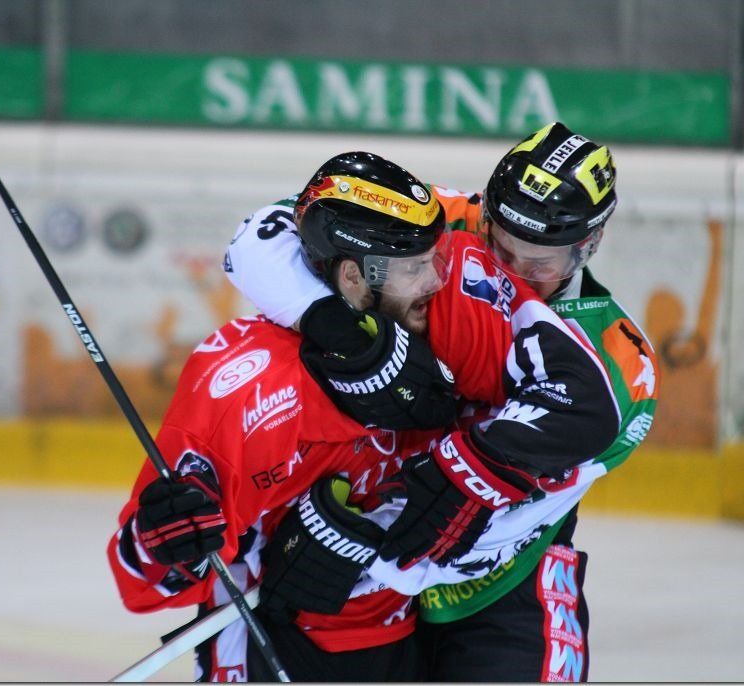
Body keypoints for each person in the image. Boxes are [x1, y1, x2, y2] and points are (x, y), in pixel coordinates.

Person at [223, 122, 659, 682]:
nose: (511, 272)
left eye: (538, 263)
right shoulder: (447, 219)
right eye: (499, 244)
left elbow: (498, 513)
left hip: (500, 592)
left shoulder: (619, 363)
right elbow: (260, 236)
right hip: (377, 588)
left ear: (588, 246)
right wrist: (337, 327)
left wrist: (367, 556)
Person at [108, 153, 458, 682]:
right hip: (269, 643)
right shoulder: (251, 390)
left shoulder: (437, 334)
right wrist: (164, 540)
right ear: (353, 276)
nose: (436, 282)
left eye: (435, 259)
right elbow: (141, 582)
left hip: (404, 640)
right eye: (414, 268)